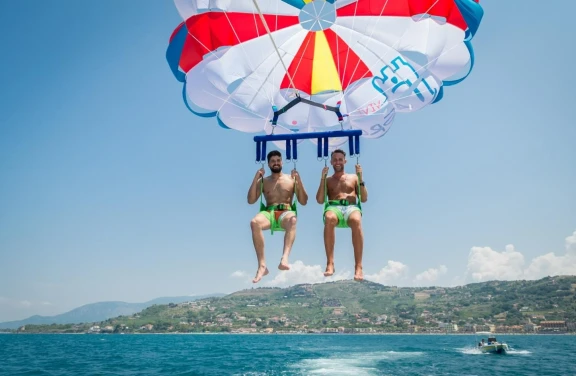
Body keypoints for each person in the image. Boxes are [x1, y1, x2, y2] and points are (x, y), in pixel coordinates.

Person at [247, 150, 309, 283]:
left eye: (278, 160)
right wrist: (256, 178)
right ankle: (262, 266)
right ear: (268, 164)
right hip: (269, 212)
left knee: (293, 219)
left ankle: (285, 258)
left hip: (285, 212)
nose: (276, 163)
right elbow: (251, 200)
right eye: (273, 161)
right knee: (254, 222)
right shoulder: (264, 181)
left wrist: (299, 180)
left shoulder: (290, 179)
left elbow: (303, 201)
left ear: (282, 162)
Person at [315, 149, 367, 281]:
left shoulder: (354, 177)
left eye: (340, 159)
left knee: (356, 220)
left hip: (351, 207)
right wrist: (322, 178)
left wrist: (360, 177)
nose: (337, 162)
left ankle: (359, 266)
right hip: (334, 207)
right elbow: (320, 200)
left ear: (345, 161)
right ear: (331, 162)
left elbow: (364, 198)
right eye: (335, 159)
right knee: (329, 218)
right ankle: (330, 263)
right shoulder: (328, 180)